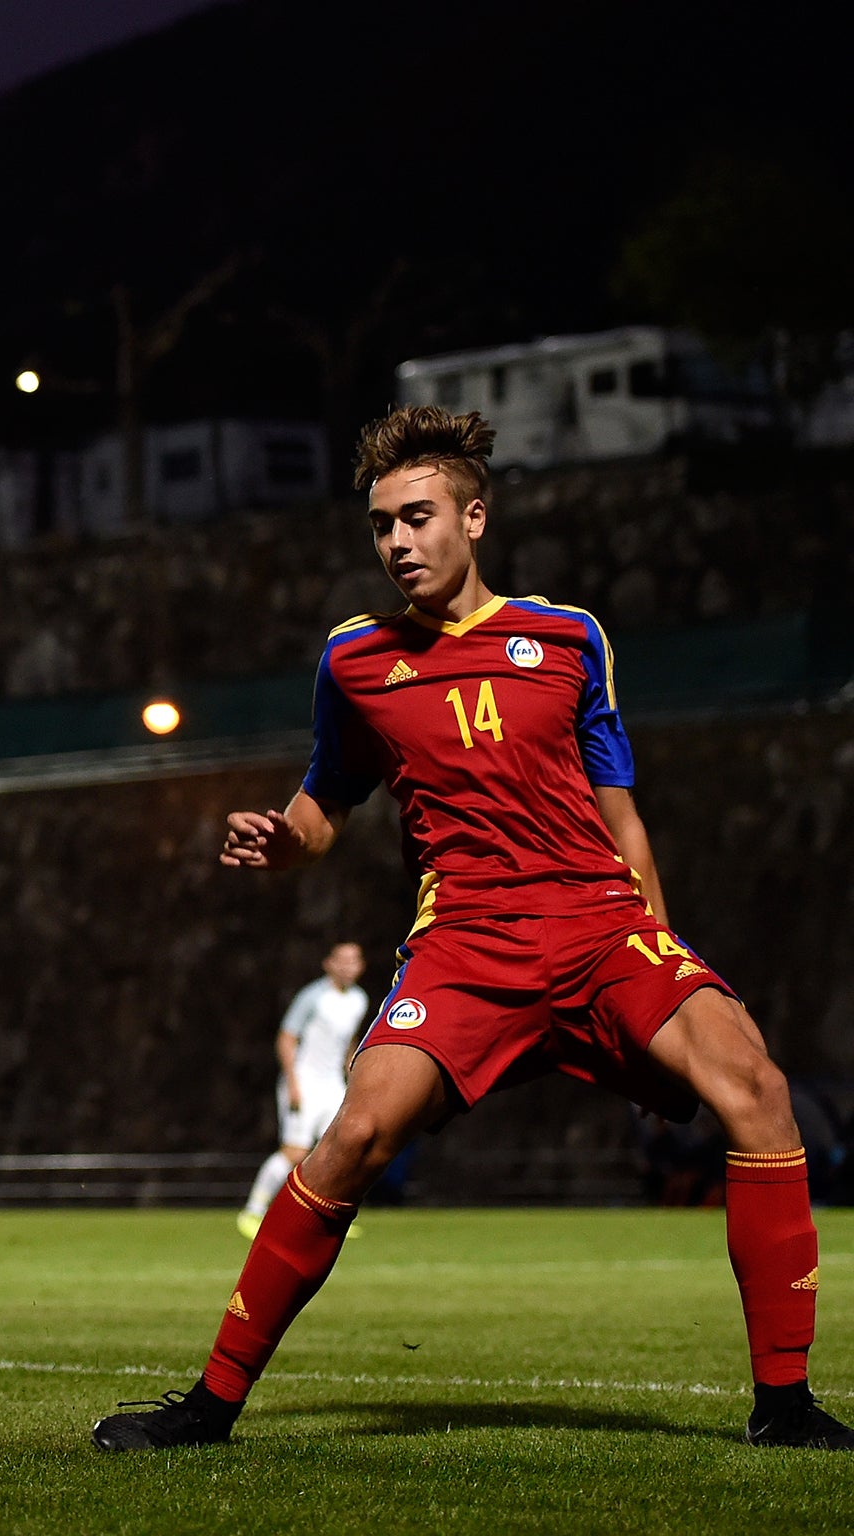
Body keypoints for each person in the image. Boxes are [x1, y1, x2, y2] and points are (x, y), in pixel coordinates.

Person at [91, 405, 848, 1453]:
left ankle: (784, 1406)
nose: (396, 542)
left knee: (758, 1091)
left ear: (473, 517)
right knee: (351, 1137)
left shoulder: (570, 637)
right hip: (468, 946)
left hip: (598, 927)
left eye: (415, 517)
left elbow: (622, 816)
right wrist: (284, 841)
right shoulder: (353, 661)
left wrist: (664, 960)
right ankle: (207, 1409)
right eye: (378, 527)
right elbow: (322, 806)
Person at [236, 943, 368, 1239]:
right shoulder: (313, 997)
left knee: (338, 1149)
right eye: (343, 960)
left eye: (354, 960)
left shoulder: (359, 999)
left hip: (332, 1084)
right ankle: (253, 1210)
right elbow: (286, 1038)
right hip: (304, 1081)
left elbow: (348, 1042)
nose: (349, 966)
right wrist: (293, 1082)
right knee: (294, 1151)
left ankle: (327, 1218)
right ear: (329, 964)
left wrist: (352, 1075)